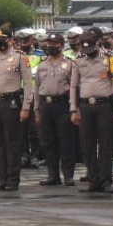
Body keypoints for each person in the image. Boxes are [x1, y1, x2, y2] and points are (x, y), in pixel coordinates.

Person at [70, 28, 113, 194]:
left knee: (105, 145)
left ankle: (106, 180)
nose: (87, 52)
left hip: (104, 105)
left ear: (98, 43)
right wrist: (73, 109)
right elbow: (74, 85)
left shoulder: (111, 58)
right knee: (87, 145)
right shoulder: (79, 60)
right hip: (86, 106)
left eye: (90, 48)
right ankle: (93, 180)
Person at [0, 27, 34, 192]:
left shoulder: (19, 57)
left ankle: (13, 178)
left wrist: (26, 107)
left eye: (3, 39)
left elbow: (28, 84)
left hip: (11, 103)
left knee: (12, 142)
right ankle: (2, 178)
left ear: (11, 40)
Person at [33, 32, 76, 186]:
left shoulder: (70, 64)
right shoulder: (42, 65)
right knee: (48, 142)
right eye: (49, 44)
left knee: (65, 142)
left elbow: (73, 87)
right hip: (46, 105)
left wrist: (73, 109)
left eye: (55, 44)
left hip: (62, 105)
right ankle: (53, 175)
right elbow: (37, 89)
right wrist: (36, 111)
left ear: (62, 46)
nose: (52, 47)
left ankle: (68, 175)